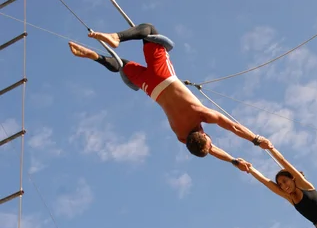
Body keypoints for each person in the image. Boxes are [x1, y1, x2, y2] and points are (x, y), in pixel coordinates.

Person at [67, 23, 271, 166]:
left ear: (205, 134)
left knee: (149, 30)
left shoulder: (202, 114)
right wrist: (233, 160)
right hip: (152, 90)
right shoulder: (181, 136)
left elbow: (233, 127)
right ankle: (93, 55)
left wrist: (255, 139)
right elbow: (209, 150)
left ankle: (116, 37)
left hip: (164, 78)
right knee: (124, 65)